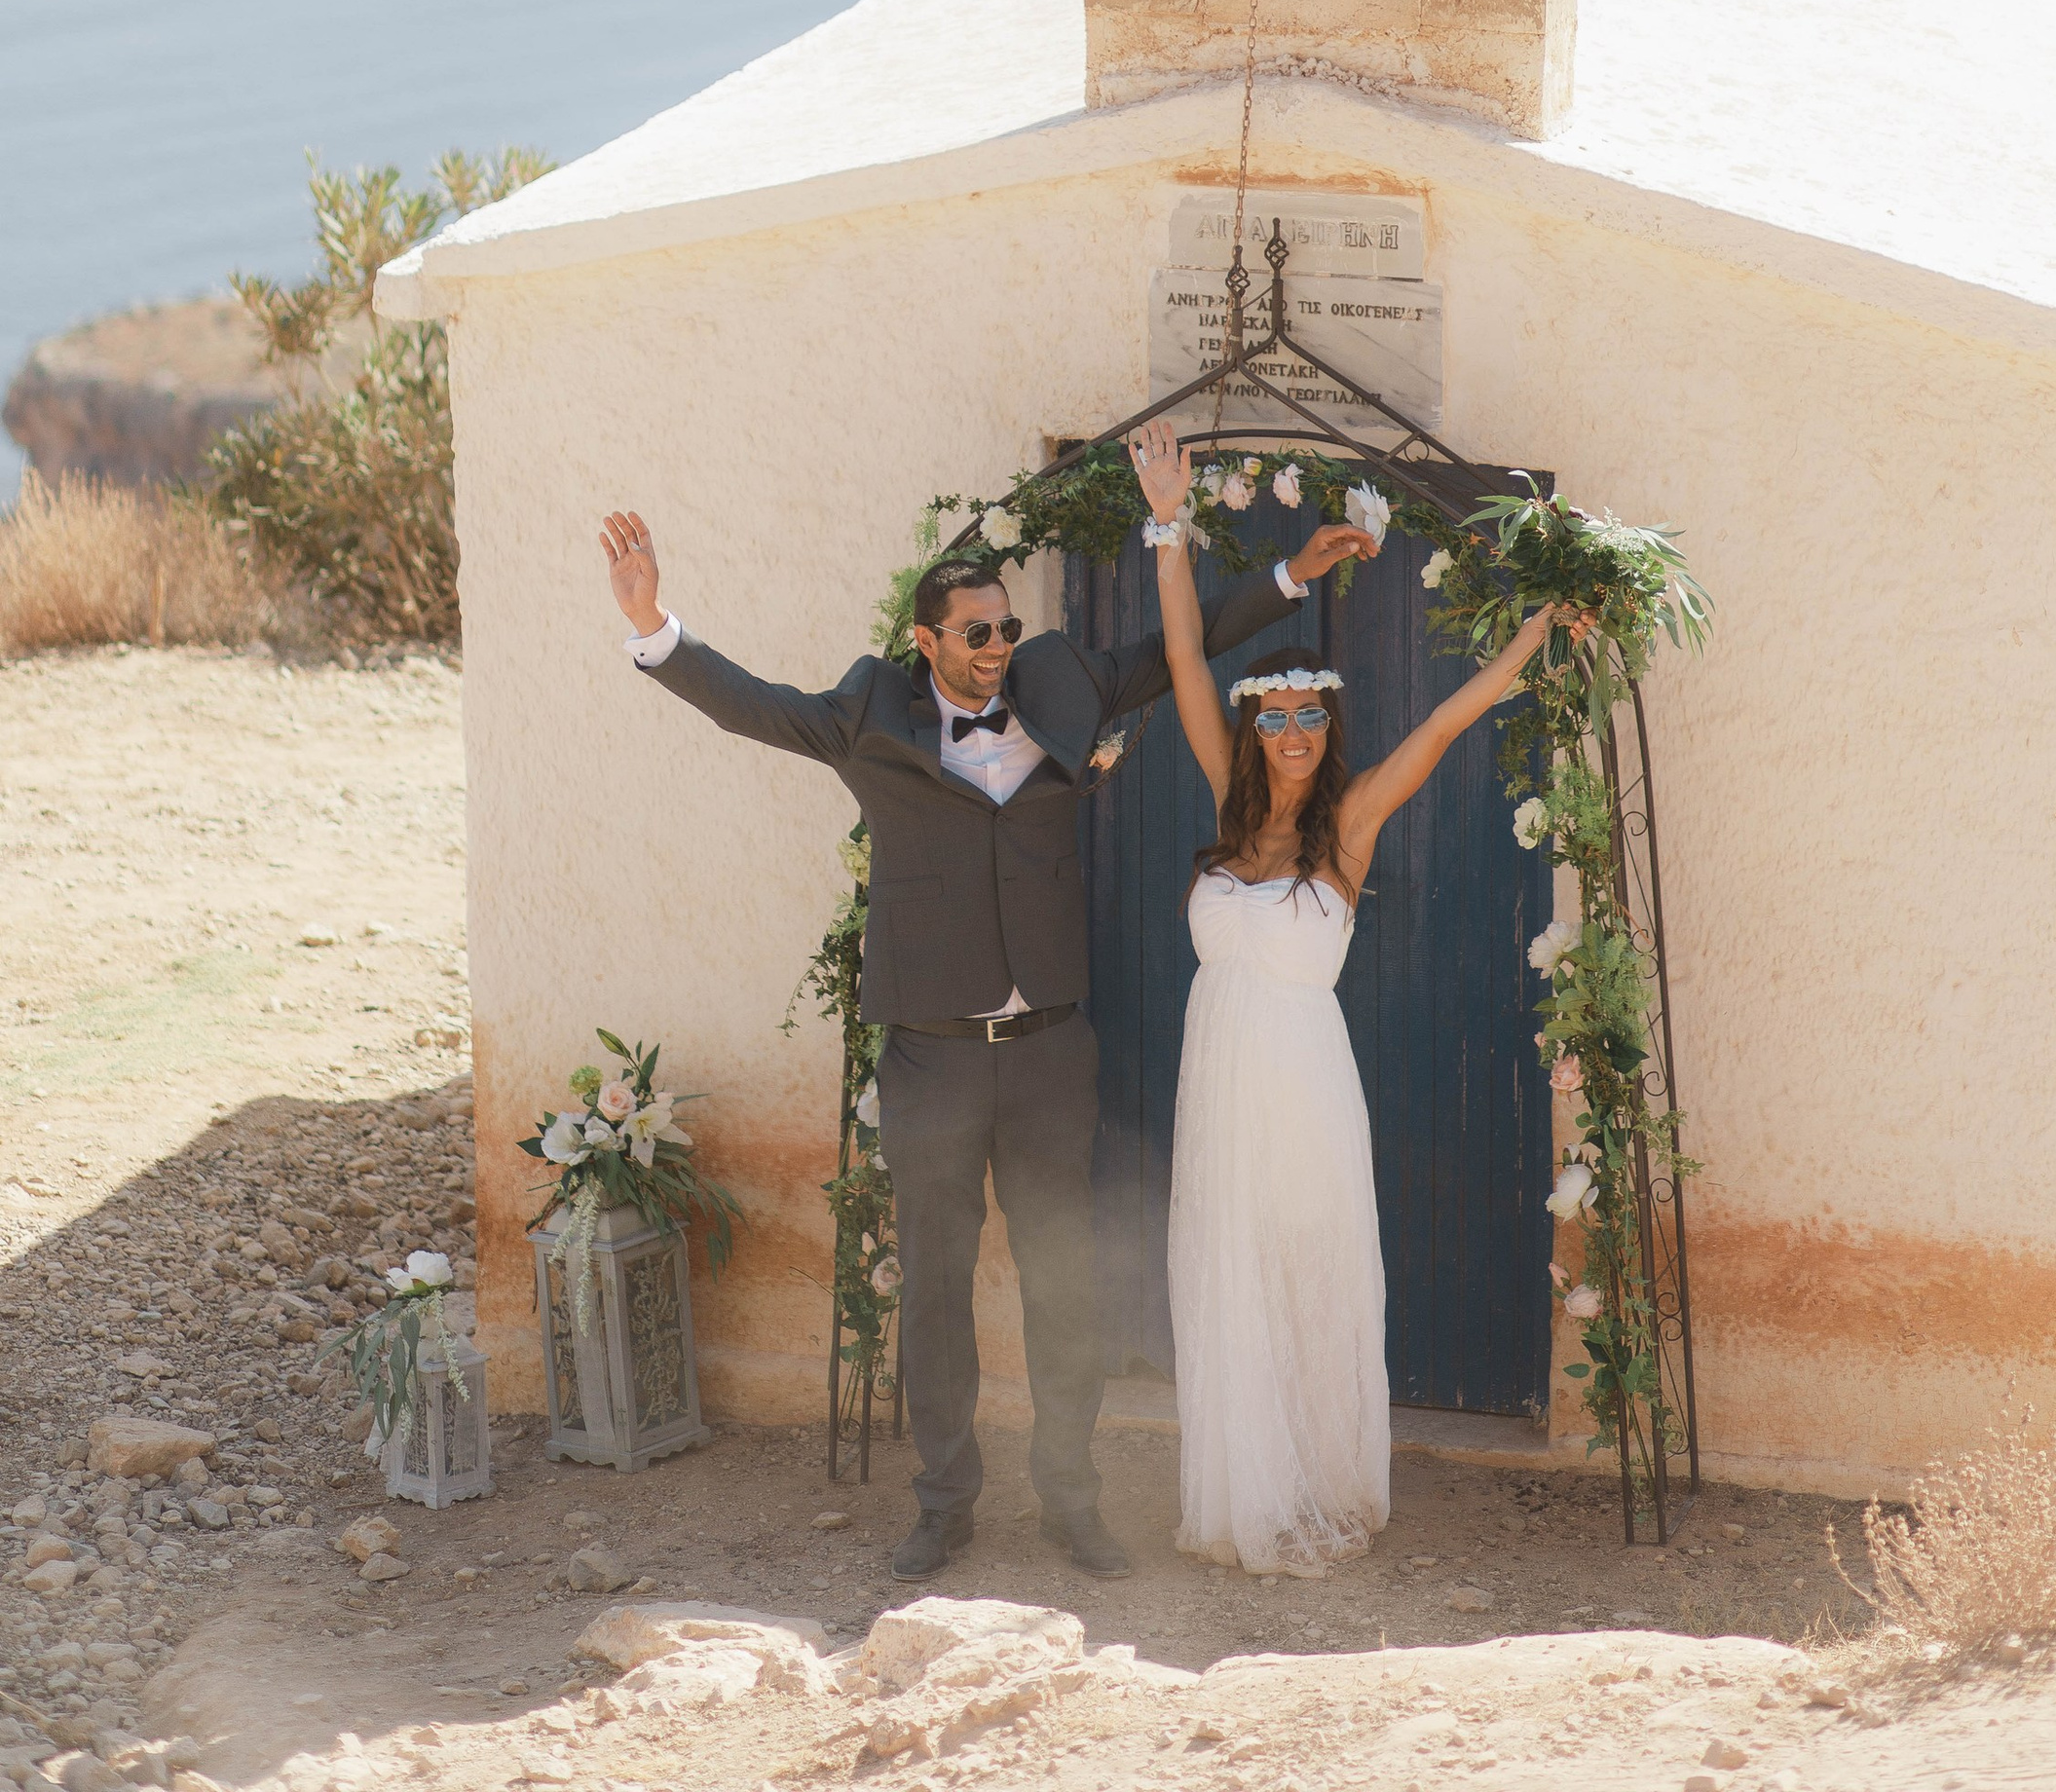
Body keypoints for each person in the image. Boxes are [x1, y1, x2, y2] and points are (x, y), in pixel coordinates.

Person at [594, 484, 1377, 1580]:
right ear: (927, 643)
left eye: (1007, 627)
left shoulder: (1058, 679)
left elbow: (1168, 651)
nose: (1000, 647)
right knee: (936, 1285)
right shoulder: (870, 712)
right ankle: (944, 1502)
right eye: (977, 633)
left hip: (1052, 1052)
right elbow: (756, 705)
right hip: (934, 1057)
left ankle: (1071, 1500)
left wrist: (1291, 578)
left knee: (1065, 1283)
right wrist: (651, 626)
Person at [1124, 418, 1571, 1579]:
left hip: (1305, 1081)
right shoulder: (1228, 800)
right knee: (1230, 1269)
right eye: (1271, 717)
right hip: (1220, 1076)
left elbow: (1442, 724)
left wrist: (1529, 639)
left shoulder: (1351, 827)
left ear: (1328, 731)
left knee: (1308, 1268)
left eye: (1306, 718)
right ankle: (1242, 1491)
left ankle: (1316, 1478)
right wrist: (1167, 527)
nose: (1287, 735)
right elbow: (1182, 664)